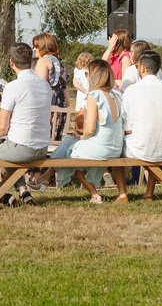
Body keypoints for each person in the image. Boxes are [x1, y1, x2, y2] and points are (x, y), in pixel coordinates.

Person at [0, 43, 50, 205]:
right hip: (42, 148)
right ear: (31, 61)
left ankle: (1, 195)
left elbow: (2, 128)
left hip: (21, 148)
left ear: (11, 62)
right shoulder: (45, 85)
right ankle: (22, 191)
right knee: (7, 147)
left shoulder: (13, 87)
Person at [48, 59, 128, 204]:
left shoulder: (94, 95)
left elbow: (90, 129)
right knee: (69, 143)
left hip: (101, 148)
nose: (87, 77)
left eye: (87, 74)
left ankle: (46, 179)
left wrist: (81, 137)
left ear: (94, 76)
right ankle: (45, 179)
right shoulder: (116, 96)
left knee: (69, 153)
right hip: (116, 148)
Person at [121, 50, 162, 200]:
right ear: (158, 69)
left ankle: (122, 193)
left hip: (142, 148)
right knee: (152, 140)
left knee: (117, 147)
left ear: (142, 68)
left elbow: (128, 126)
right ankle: (149, 192)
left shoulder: (131, 90)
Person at [32, 32, 68, 138]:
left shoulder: (43, 61)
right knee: (55, 137)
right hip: (61, 103)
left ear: (43, 46)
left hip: (48, 102)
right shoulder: (59, 63)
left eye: (36, 46)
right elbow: (65, 88)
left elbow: (41, 85)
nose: (34, 49)